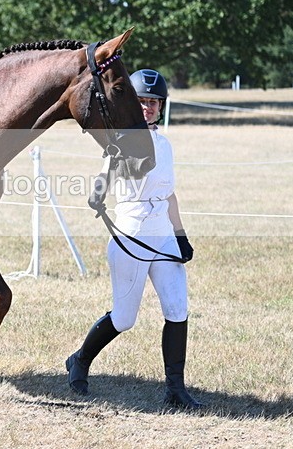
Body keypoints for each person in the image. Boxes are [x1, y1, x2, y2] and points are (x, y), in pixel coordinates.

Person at [65, 68, 204, 410]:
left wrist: (180, 236)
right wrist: (97, 195)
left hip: (162, 235)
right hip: (131, 232)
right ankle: (80, 360)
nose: (148, 108)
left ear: (162, 106)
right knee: (125, 318)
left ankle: (175, 390)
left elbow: (169, 195)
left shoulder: (166, 145)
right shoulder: (120, 140)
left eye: (154, 102)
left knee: (177, 308)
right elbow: (102, 180)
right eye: (142, 101)